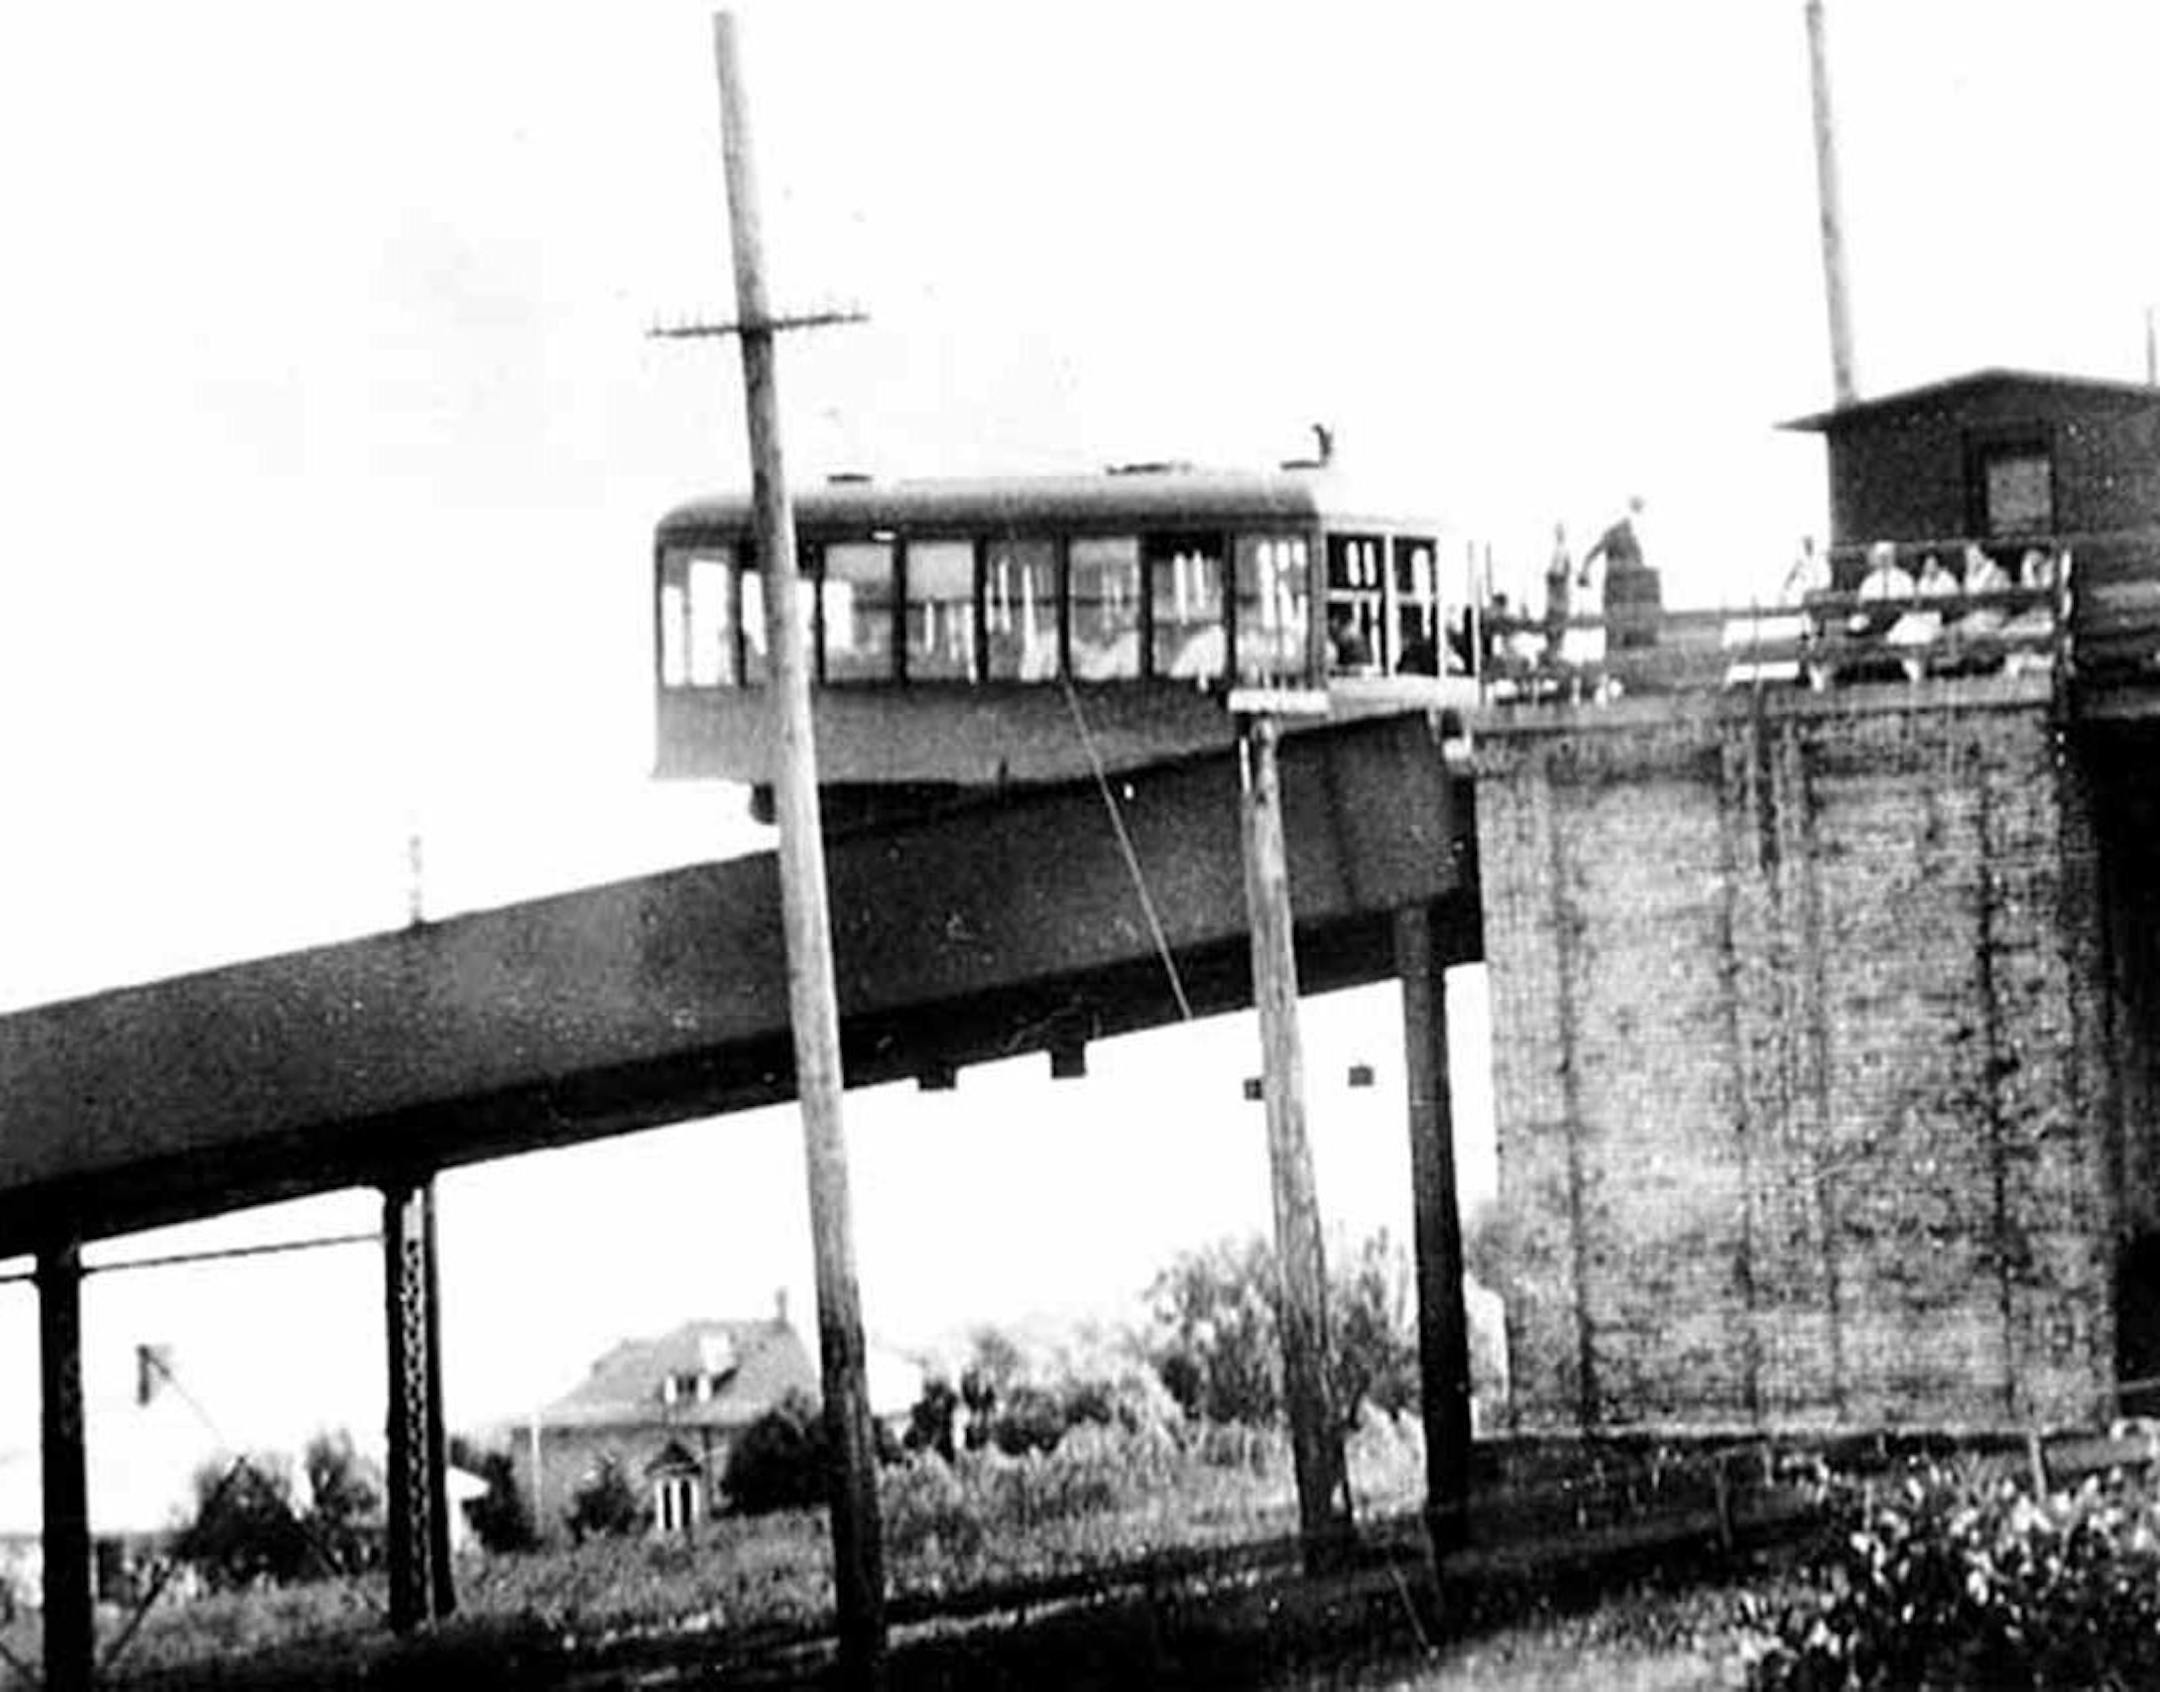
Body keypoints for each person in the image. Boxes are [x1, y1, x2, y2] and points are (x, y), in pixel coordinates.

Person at [1582, 496, 1661, 648]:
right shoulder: (1616, 532)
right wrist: (1585, 571)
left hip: (1632, 596)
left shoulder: (1635, 542)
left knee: (1630, 637)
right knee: (1616, 635)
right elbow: (1593, 553)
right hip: (1617, 593)